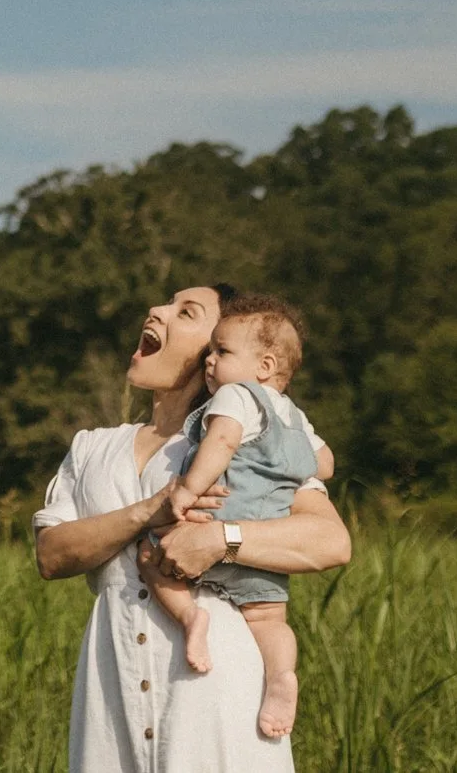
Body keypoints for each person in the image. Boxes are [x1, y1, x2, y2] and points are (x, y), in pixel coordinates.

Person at [33, 286, 352, 772]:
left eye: (185, 312)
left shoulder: (254, 437)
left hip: (216, 692)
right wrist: (149, 510)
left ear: (216, 350)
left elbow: (331, 542)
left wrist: (221, 539)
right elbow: (52, 555)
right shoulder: (93, 447)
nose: (155, 310)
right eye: (164, 304)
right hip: (110, 687)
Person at [146, 294, 326, 741]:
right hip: (264, 549)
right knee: (269, 620)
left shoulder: (235, 395)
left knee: (149, 558)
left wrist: (187, 490)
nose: (209, 361)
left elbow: (222, 442)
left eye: (222, 352)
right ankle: (282, 675)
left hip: (213, 522)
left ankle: (191, 619)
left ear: (263, 367)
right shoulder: (294, 417)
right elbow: (324, 463)